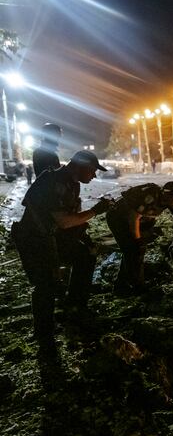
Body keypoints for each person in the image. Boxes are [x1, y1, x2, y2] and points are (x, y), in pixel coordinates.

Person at [10, 150, 111, 353]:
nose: (94, 175)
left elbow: (70, 221)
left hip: (53, 237)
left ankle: (75, 306)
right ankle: (44, 337)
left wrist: (84, 238)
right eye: (92, 170)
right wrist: (95, 211)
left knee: (85, 255)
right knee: (45, 285)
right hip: (33, 239)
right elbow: (64, 221)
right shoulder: (52, 181)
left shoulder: (72, 184)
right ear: (80, 165)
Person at [105, 181, 173, 292]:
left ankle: (124, 284)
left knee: (134, 251)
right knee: (132, 249)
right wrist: (137, 240)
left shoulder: (170, 202)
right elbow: (133, 218)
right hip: (118, 218)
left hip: (137, 222)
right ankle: (135, 285)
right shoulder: (150, 196)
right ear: (166, 195)